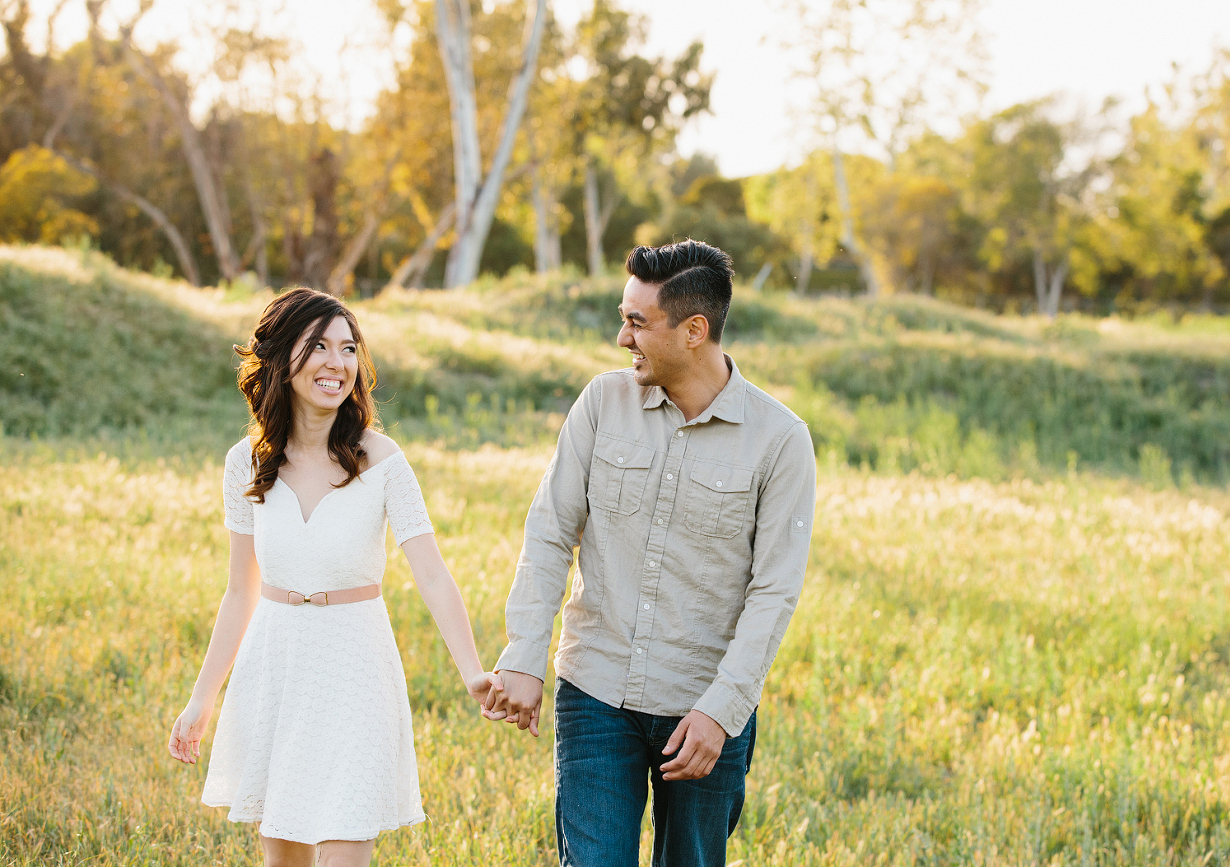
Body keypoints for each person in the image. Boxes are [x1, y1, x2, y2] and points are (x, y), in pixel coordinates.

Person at [484, 240, 817, 867]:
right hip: (594, 691)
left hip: (703, 707)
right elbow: (551, 530)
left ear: (695, 330)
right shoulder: (601, 404)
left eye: (637, 322)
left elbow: (773, 592)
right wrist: (525, 653)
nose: (621, 337)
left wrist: (721, 712)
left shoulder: (780, 441)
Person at [167, 287, 498, 867]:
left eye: (348, 349)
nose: (336, 363)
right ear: (280, 359)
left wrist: (471, 671)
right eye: (316, 346)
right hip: (277, 666)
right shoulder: (245, 463)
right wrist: (202, 699)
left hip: (356, 669)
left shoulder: (384, 460)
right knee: (284, 858)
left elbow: (433, 575)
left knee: (347, 844)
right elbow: (240, 590)